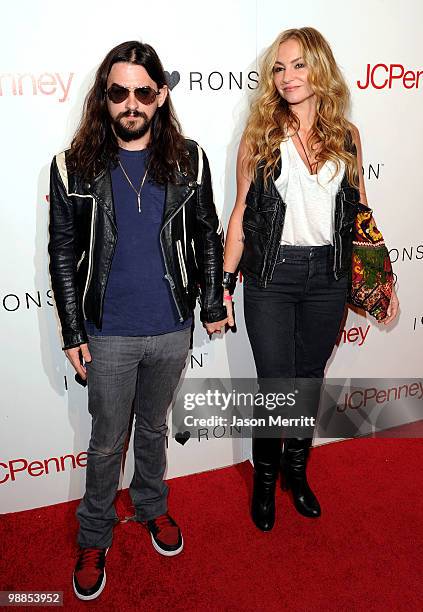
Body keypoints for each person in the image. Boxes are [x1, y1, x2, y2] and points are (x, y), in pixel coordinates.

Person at [48, 40, 227, 600]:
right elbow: (63, 252)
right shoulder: (72, 166)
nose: (131, 103)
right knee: (106, 442)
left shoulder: (188, 159)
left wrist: (214, 303)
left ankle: (152, 506)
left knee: (152, 430)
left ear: (161, 95)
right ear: (104, 98)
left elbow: (206, 233)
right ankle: (94, 533)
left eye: (142, 92)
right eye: (119, 92)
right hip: (107, 330)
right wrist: (74, 331)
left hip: (172, 325)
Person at [223, 27, 399, 531]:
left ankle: (295, 473)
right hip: (272, 278)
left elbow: (360, 213)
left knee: (308, 379)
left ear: (318, 68)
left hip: (329, 276)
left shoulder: (347, 137)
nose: (287, 77)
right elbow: (238, 214)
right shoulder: (260, 136)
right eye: (279, 68)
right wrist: (225, 285)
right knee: (275, 384)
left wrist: (378, 278)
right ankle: (264, 480)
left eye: (297, 64)